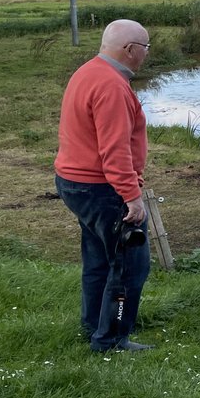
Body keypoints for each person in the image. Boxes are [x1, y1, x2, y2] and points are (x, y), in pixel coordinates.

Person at [54, 19, 153, 352]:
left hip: (76, 183)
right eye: (146, 48)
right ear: (130, 50)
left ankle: (94, 325)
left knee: (99, 259)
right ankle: (111, 339)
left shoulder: (88, 71)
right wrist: (132, 198)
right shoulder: (111, 85)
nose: (146, 55)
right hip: (102, 189)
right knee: (129, 266)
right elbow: (114, 151)